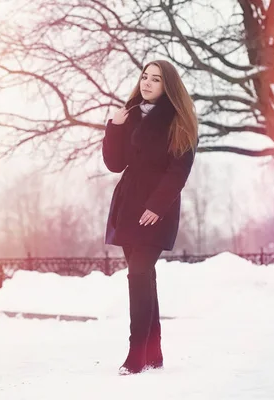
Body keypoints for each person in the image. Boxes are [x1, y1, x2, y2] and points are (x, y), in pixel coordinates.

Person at [102, 60, 198, 375]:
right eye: (145, 76)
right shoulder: (130, 115)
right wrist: (114, 128)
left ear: (167, 85)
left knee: (139, 274)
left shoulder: (179, 121)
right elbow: (115, 164)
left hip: (158, 211)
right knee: (144, 276)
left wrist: (157, 206)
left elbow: (178, 171)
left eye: (155, 79)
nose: (147, 82)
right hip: (128, 207)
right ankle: (154, 351)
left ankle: (136, 353)